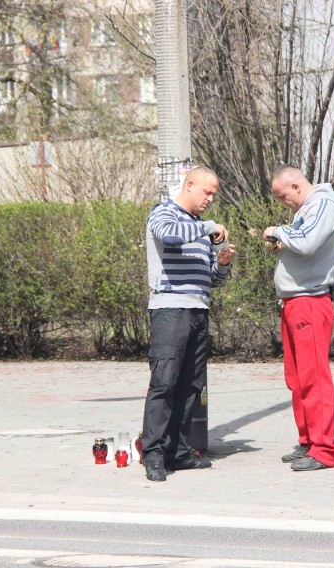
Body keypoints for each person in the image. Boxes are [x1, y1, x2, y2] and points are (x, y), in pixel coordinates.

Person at [141, 166, 236, 482]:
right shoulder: (163, 212)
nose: (210, 198)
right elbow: (168, 235)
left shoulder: (200, 228)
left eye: (213, 194)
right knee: (165, 382)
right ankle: (153, 453)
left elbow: (212, 279)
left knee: (191, 386)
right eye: (207, 192)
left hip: (198, 311)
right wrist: (209, 227)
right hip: (170, 310)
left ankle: (178, 452)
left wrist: (222, 264)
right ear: (190, 184)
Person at [263, 165, 334, 472]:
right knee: (297, 377)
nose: (284, 202)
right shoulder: (307, 210)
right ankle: (309, 440)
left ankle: (324, 449)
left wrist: (277, 231)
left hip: (309, 300)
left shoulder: (323, 205)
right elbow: (302, 240)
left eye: (283, 196)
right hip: (294, 301)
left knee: (314, 377)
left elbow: (308, 243)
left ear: (296, 185)